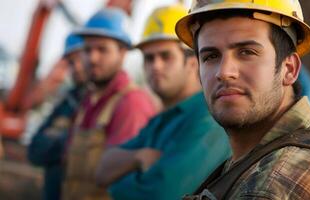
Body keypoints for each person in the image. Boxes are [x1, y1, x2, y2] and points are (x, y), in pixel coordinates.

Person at [175, 0, 310, 199]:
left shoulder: (273, 187)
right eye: (211, 56)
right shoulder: (252, 161)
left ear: (289, 69)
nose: (224, 72)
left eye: (246, 52)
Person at [95, 4, 231, 200]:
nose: (156, 66)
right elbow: (101, 172)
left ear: (192, 63)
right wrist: (138, 156)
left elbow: (162, 194)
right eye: (149, 58)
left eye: (165, 56)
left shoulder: (209, 116)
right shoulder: (159, 121)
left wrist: (119, 184)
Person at [61, 8, 157, 200]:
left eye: (102, 49)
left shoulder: (131, 103)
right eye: (88, 50)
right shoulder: (89, 100)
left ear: (122, 53)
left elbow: (124, 184)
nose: (93, 58)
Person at [27, 33, 87, 200]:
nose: (76, 67)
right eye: (70, 62)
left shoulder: (104, 103)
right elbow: (34, 150)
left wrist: (57, 138)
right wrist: (68, 141)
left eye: (79, 59)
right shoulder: (68, 100)